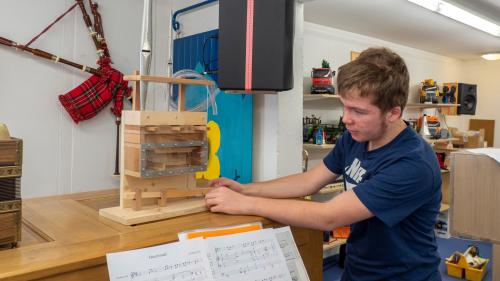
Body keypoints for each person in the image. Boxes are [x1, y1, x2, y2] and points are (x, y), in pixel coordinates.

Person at [205, 47, 442, 281]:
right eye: (344, 106)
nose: (346, 119)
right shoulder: (355, 137)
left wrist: (245, 204)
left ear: (393, 113)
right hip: (358, 269)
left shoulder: (413, 163)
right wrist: (246, 188)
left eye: (358, 111)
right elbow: (309, 181)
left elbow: (328, 216)